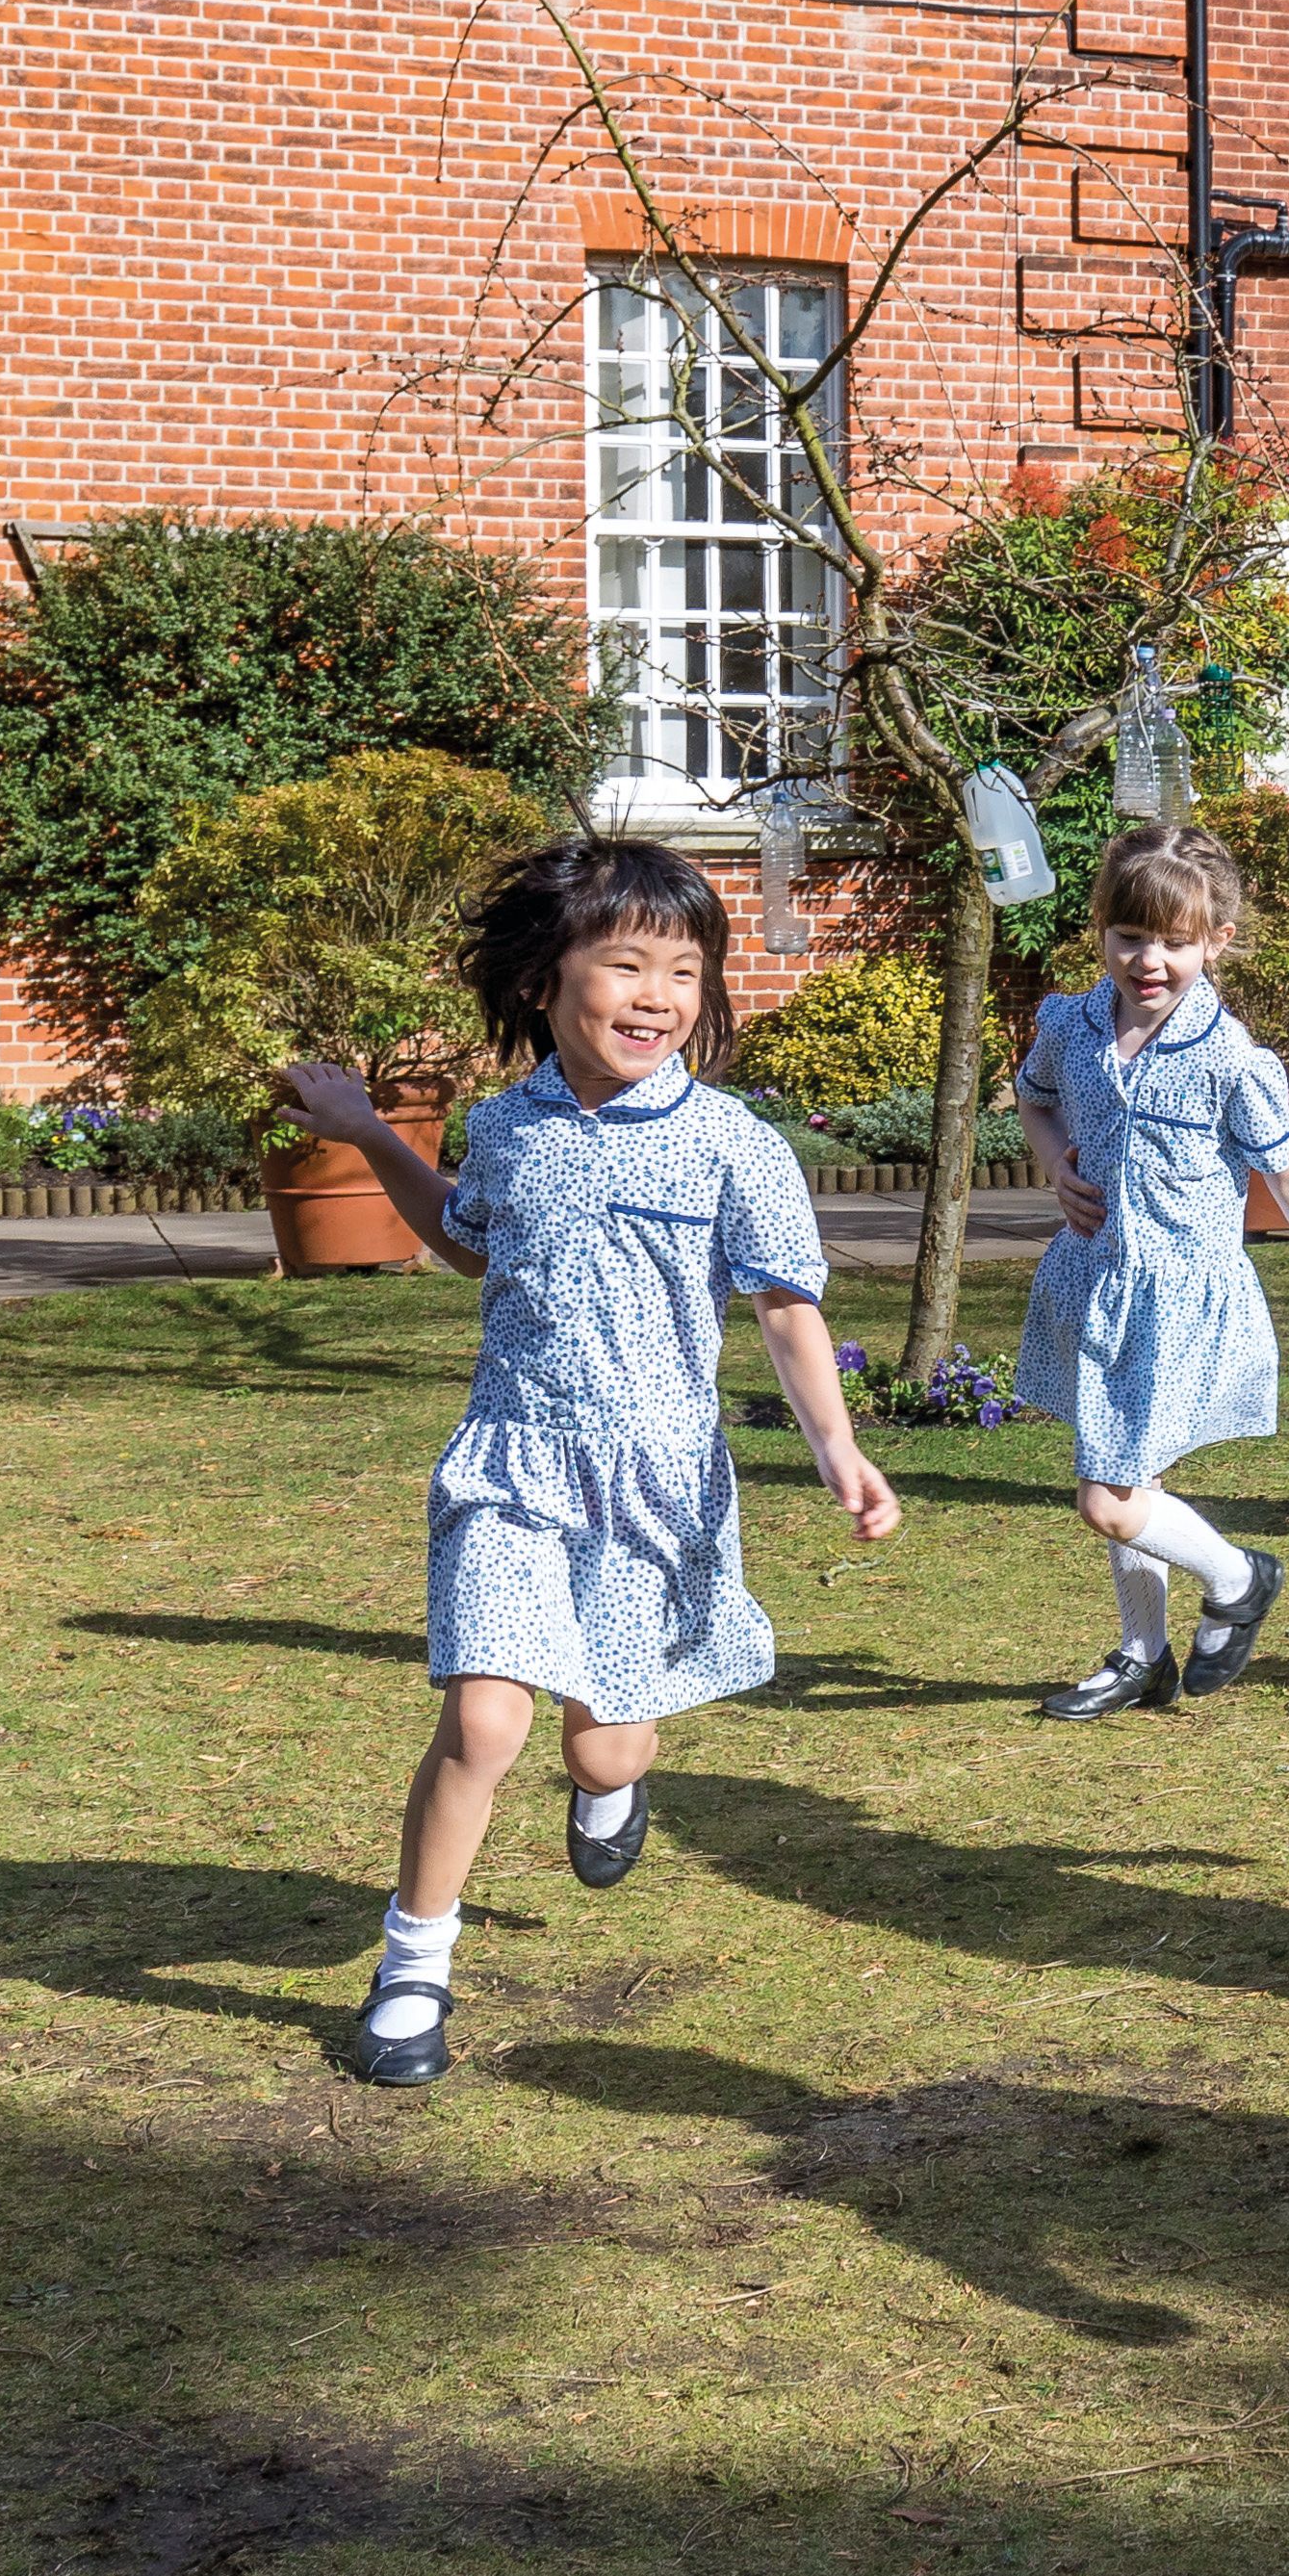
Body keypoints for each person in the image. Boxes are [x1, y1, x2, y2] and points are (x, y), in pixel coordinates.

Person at [272, 836, 900, 2092]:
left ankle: (609, 1786)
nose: (655, 996)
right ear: (546, 980)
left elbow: (785, 1306)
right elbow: (469, 1241)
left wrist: (837, 1446)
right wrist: (365, 1130)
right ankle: (412, 1967)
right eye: (624, 965)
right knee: (482, 1720)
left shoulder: (733, 1144)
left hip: (656, 1486)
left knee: (604, 1747)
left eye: (683, 972)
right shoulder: (507, 1125)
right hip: (510, 1462)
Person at [1012, 822, 1289, 1719]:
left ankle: (1237, 1578)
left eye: (1174, 942)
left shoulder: (1227, 1057)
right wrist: (1056, 1164)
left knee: (1110, 1500)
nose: (1148, 961)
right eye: (1129, 937)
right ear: (1101, 931)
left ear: (1215, 941)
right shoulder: (1070, 1024)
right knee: (1129, 1473)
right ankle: (1142, 1656)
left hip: (1181, 1298)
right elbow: (1034, 1099)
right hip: (1094, 1279)